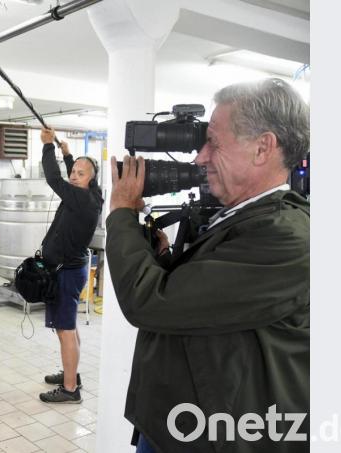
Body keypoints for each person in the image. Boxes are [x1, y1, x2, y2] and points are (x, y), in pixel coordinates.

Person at [107, 78, 309, 453]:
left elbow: (151, 302)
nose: (200, 157)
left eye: (213, 142)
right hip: (178, 423)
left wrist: (120, 214)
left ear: (262, 148)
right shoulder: (242, 217)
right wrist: (164, 257)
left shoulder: (285, 236)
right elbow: (201, 295)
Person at [37, 128, 103, 404]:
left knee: (65, 330)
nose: (74, 176)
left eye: (80, 174)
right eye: (73, 171)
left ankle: (69, 390)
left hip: (66, 271)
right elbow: (72, 174)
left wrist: (47, 147)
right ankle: (70, 374)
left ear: (91, 180)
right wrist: (68, 155)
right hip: (69, 268)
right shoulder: (89, 194)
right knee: (69, 327)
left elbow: (53, 178)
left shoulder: (81, 199)